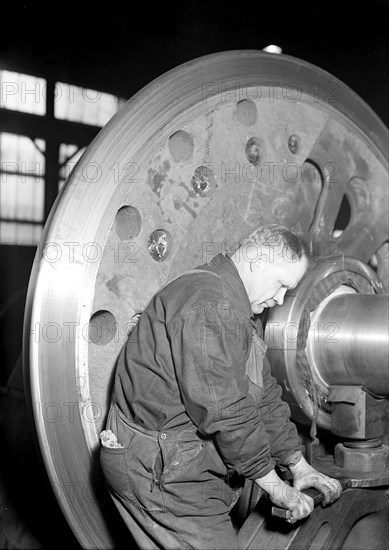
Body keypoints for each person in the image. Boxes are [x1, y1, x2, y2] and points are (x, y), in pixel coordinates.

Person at [100, 223, 342, 550]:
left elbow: (262, 395)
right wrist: (274, 485)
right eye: (282, 285)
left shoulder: (235, 306)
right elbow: (226, 411)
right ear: (257, 259)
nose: (281, 298)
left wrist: (296, 464)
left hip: (173, 457)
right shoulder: (207, 304)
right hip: (159, 469)